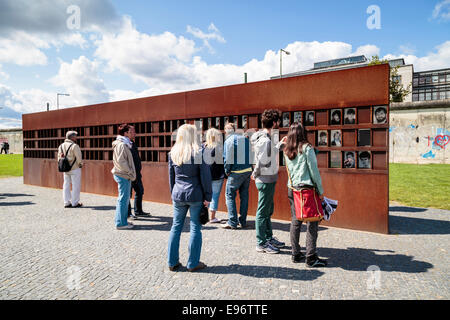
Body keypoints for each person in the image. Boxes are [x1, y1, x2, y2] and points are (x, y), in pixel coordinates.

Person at [281, 122, 327, 267]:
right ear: (303, 133)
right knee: (312, 222)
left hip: (292, 188)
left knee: (296, 221)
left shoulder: (286, 149)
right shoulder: (306, 148)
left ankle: (295, 253)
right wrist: (320, 191)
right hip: (307, 189)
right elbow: (314, 172)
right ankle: (311, 257)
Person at [168, 124, 212, 272]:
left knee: (176, 227)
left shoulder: (173, 153)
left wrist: (172, 193)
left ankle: (172, 262)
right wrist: (208, 196)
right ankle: (193, 263)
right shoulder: (199, 152)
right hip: (195, 194)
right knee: (195, 228)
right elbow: (205, 177)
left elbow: (171, 177)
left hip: (178, 193)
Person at [251, 109, 285, 254]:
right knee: (262, 212)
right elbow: (262, 160)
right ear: (274, 123)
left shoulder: (263, 138)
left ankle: (268, 237)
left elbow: (267, 154)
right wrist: (255, 173)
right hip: (265, 179)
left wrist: (278, 147)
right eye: (278, 121)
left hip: (267, 179)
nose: (279, 124)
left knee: (267, 210)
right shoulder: (265, 140)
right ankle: (261, 243)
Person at [222, 122, 252, 230]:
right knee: (244, 196)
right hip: (247, 170)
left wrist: (227, 171)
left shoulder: (228, 141)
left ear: (226, 131)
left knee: (230, 196)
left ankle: (232, 222)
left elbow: (227, 158)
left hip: (236, 172)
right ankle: (243, 221)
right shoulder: (245, 139)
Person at [111, 124, 136, 230]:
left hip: (122, 174)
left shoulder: (123, 144)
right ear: (125, 133)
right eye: (131, 132)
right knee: (123, 200)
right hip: (123, 175)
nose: (134, 133)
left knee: (123, 199)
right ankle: (121, 224)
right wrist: (130, 172)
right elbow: (121, 161)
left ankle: (121, 221)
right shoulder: (122, 145)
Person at [127, 125, 150, 219]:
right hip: (130, 173)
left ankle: (138, 211)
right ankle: (128, 214)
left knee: (140, 190)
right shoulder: (125, 144)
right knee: (128, 194)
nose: (135, 133)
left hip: (137, 173)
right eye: (133, 132)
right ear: (127, 133)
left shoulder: (132, 142)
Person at [203, 128, 225, 224]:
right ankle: (212, 217)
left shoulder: (203, 146)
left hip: (205, 175)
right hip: (217, 175)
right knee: (214, 196)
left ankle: (204, 215)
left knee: (205, 195)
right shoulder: (219, 147)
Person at [58, 131, 83, 208]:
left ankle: (66, 202)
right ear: (71, 137)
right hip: (74, 168)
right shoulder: (75, 146)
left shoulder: (61, 146)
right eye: (75, 136)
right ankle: (75, 203)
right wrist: (80, 164)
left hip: (65, 169)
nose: (76, 137)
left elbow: (59, 157)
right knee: (76, 185)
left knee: (66, 185)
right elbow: (79, 157)